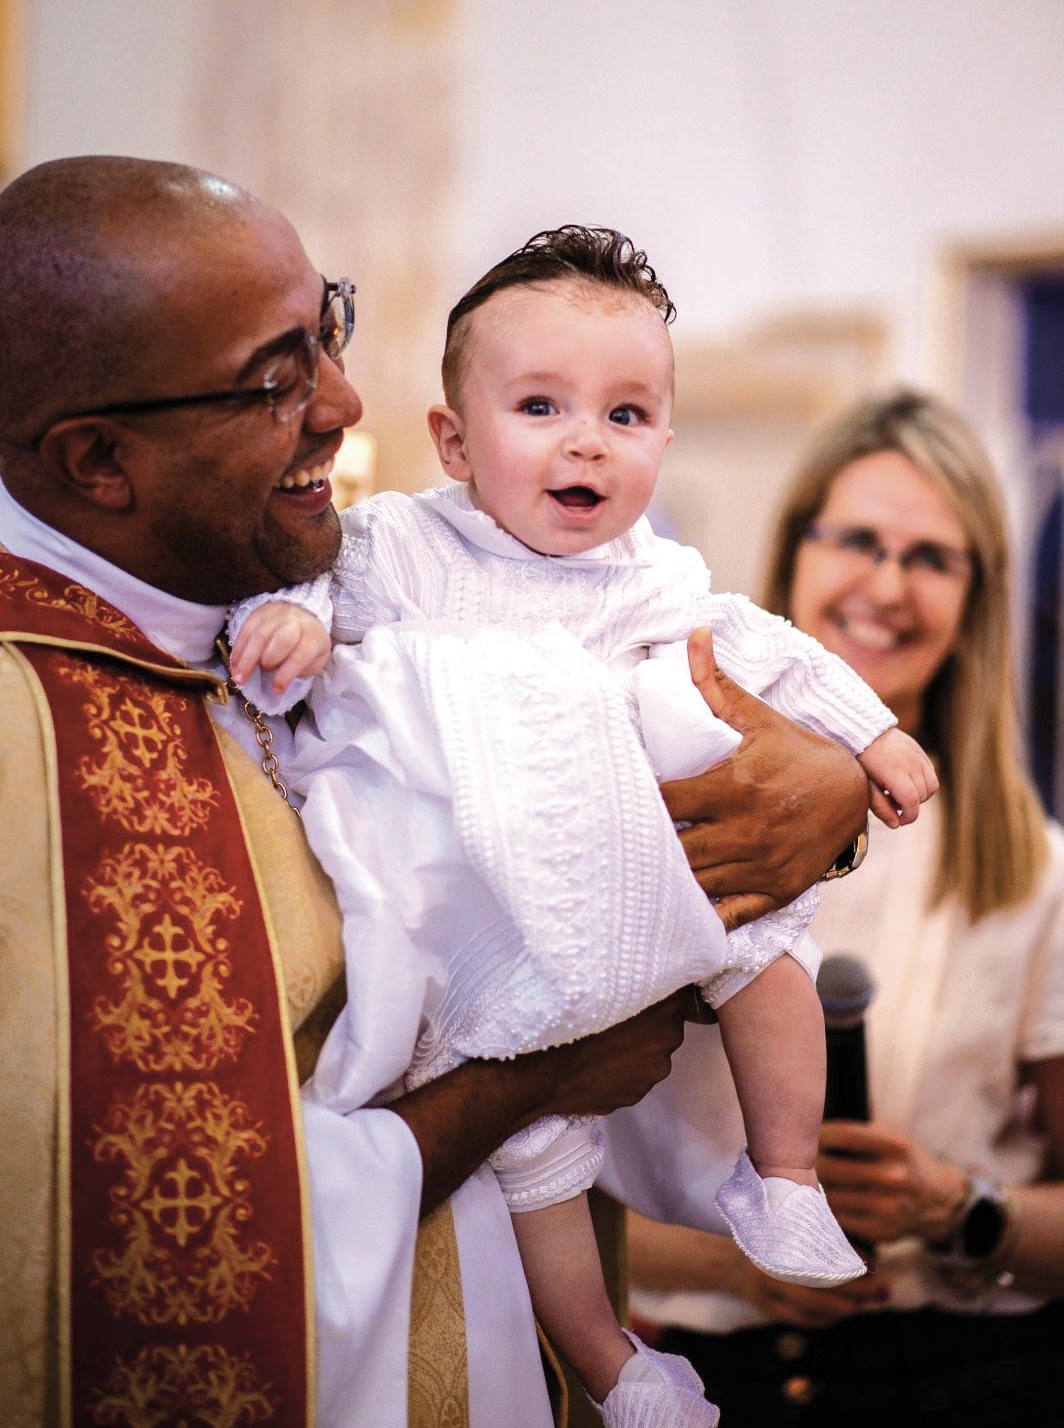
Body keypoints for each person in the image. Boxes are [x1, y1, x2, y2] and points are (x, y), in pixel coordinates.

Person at [0, 158, 872, 1428]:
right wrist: (531, 1076)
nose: (342, 402)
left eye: (328, 329)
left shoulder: (268, 596)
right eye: (274, 375)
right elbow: (129, 1253)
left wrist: (825, 794)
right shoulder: (35, 742)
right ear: (98, 461)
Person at [228, 228, 934, 1422]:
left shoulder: (648, 578)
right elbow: (318, 582)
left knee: (769, 965)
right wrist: (297, 622)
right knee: (538, 1156)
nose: (584, 442)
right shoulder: (403, 541)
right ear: (453, 438)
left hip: (633, 891)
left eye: (625, 414)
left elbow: (776, 653)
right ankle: (613, 1365)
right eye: (541, 405)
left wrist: (872, 740)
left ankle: (785, 1172)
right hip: (488, 915)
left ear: (663, 437)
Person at [605, 390, 1064, 1428]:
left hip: (965, 1377)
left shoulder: (1030, 870)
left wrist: (956, 1204)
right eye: (855, 539)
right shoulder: (667, 797)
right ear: (794, 549)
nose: (885, 585)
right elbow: (537, 1163)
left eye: (930, 557)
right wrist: (737, 1267)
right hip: (705, 1377)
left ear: (974, 595)